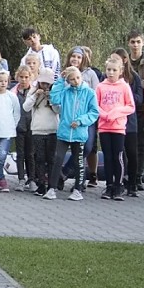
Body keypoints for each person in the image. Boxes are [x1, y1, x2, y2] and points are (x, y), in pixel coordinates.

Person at [50, 66, 99, 201]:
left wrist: (81, 121)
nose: (75, 81)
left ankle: (78, 189)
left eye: (77, 78)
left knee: (79, 161)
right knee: (58, 158)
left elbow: (94, 112)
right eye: (72, 79)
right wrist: (60, 80)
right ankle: (51, 188)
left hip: (79, 132)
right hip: (64, 131)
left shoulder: (89, 93)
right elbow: (54, 99)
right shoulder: (65, 92)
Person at [96, 57, 135, 201]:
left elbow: (130, 106)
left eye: (114, 70)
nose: (111, 73)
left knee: (117, 156)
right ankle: (109, 185)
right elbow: (95, 105)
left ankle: (118, 186)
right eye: (108, 70)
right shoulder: (100, 86)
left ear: (120, 71)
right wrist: (105, 114)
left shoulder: (124, 86)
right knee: (107, 157)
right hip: (104, 127)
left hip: (118, 127)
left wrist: (115, 113)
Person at [111, 48, 143, 197]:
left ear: (124, 60)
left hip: (129, 121)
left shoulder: (133, 77)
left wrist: (124, 99)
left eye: (116, 59)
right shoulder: (109, 77)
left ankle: (133, 182)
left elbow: (139, 98)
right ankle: (117, 181)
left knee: (132, 152)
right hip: (114, 121)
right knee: (117, 152)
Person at [66, 46, 100, 186]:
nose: (75, 59)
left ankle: (65, 171)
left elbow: (97, 94)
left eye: (79, 57)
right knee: (72, 147)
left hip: (87, 117)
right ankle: (80, 181)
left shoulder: (90, 74)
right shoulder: (65, 73)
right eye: (73, 56)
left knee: (87, 147)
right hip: (69, 117)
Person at [24, 68, 59, 198]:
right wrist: (35, 96)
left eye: (47, 84)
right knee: (39, 158)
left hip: (52, 129)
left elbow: (58, 110)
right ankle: (41, 185)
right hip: (38, 129)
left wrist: (51, 99)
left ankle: (51, 185)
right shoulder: (33, 91)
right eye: (43, 83)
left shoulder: (55, 93)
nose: (45, 86)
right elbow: (26, 107)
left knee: (51, 159)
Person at [127, 29, 144, 189]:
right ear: (128, 43)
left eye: (138, 42)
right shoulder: (124, 61)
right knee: (128, 144)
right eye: (132, 42)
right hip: (127, 109)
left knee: (142, 144)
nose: (135, 45)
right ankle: (128, 174)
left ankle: (138, 176)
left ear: (143, 42)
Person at [11, 65, 35, 191]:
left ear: (30, 77)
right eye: (21, 77)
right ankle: (21, 179)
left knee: (30, 154)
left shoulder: (35, 91)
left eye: (26, 77)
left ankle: (32, 179)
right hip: (19, 126)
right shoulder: (13, 93)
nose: (24, 80)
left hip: (32, 126)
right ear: (17, 77)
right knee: (20, 154)